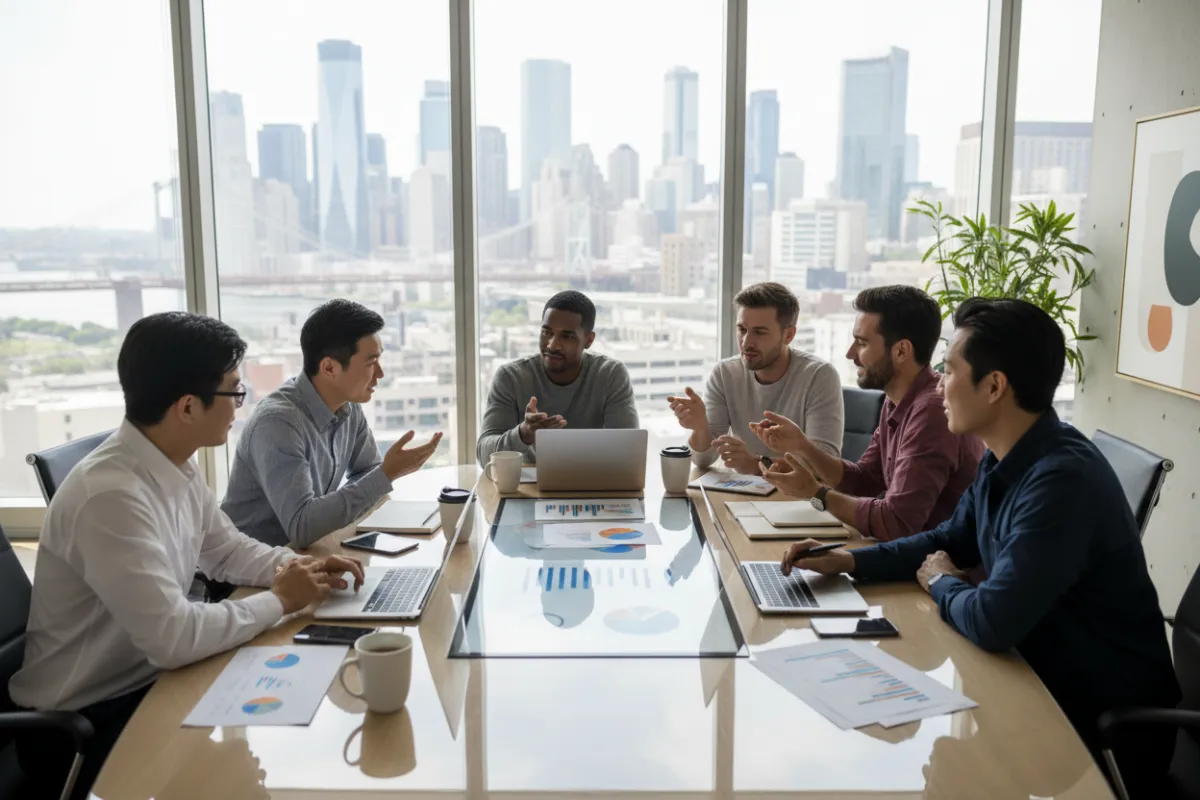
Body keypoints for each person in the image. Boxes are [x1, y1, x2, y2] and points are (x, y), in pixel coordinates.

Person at [781, 298, 1180, 797]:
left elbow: (993, 620)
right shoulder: (1004, 456)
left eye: (949, 371)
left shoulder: (1061, 482)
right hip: (1035, 679)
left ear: (994, 387)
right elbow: (947, 539)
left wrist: (940, 581)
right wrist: (848, 561)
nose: (938, 385)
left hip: (1096, 728)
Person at [10, 312, 364, 800]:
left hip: (153, 681)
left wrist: (294, 567)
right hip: (89, 720)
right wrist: (281, 600)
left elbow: (224, 549)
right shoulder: (110, 496)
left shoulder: (172, 462)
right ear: (188, 407)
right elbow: (172, 638)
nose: (240, 403)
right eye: (234, 391)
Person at [754, 285, 984, 540]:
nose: (850, 353)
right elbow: (866, 481)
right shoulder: (897, 400)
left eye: (862, 343)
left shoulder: (931, 412)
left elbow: (896, 523)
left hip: (933, 560)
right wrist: (802, 446)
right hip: (906, 552)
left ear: (901, 351)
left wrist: (815, 493)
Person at [223, 299, 442, 548]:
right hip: (251, 567)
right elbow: (302, 526)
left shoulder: (348, 406)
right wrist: (386, 474)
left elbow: (367, 472)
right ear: (329, 368)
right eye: (371, 362)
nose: (380, 373)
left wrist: (380, 477)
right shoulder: (277, 423)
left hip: (305, 556)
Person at [668, 281, 843, 473]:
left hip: (798, 492)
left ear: (789, 335)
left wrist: (754, 464)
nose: (746, 342)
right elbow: (703, 460)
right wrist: (700, 428)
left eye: (759, 332)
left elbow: (826, 466)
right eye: (742, 329)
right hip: (741, 490)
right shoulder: (724, 374)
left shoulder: (820, 376)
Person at [476, 290, 638, 464]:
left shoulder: (610, 375)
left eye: (567, 336)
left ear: (589, 340)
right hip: (526, 480)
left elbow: (628, 452)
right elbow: (484, 455)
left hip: (591, 479)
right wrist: (524, 433)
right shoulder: (511, 377)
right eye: (546, 333)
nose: (552, 345)